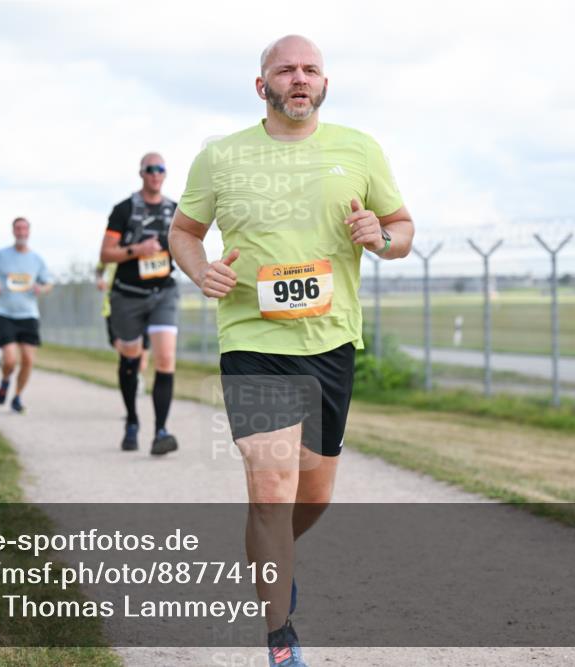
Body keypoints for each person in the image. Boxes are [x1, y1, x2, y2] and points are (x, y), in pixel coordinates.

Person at [169, 35, 413, 667]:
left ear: (324, 84)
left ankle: (268, 556)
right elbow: (184, 232)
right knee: (272, 489)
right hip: (253, 339)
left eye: (310, 69)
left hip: (330, 340)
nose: (299, 78)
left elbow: (403, 230)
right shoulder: (220, 157)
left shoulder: (359, 149)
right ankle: (281, 638)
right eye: (286, 70)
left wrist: (380, 236)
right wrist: (200, 273)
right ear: (263, 86)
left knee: (314, 495)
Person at [99, 153, 180, 454]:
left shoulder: (174, 211)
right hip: (128, 294)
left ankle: (161, 431)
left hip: (164, 292)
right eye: (150, 170)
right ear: (141, 174)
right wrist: (138, 249)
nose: (155, 174)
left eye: (161, 169)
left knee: (165, 359)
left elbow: (186, 243)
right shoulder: (124, 209)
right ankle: (132, 420)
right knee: (131, 357)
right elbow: (106, 253)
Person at [0, 217, 53, 413]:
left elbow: (48, 283)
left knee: (28, 360)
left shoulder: (37, 259)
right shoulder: (0, 255)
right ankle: (5, 380)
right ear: (13, 231)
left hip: (28, 313)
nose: (21, 232)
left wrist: (41, 288)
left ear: (29, 232)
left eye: (24, 229)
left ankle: (17, 396)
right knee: (10, 359)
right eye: (18, 228)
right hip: (4, 311)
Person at [96, 260, 151, 396]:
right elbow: (99, 269)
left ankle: (136, 375)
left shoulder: (142, 250)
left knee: (143, 350)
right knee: (123, 349)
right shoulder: (111, 253)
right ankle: (130, 369)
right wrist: (99, 280)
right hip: (113, 308)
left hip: (142, 307)